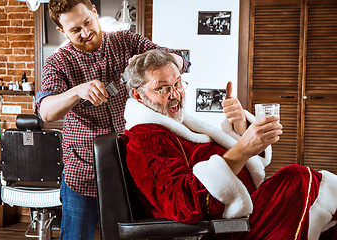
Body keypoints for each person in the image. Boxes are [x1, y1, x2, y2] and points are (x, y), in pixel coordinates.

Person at [122, 49, 337, 240]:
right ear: (138, 96)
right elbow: (182, 203)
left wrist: (241, 127)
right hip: (221, 227)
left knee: (302, 183)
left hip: (241, 214)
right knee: (297, 179)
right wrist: (243, 149)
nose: (176, 94)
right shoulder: (145, 138)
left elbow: (219, 158)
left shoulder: (179, 123)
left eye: (178, 83)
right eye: (163, 88)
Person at [35, 1, 190, 239]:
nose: (86, 33)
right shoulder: (58, 63)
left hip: (133, 168)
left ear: (95, 13)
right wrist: (77, 91)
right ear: (62, 31)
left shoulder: (127, 42)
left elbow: (180, 60)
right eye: (75, 30)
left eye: (87, 22)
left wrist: (151, 60)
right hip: (83, 173)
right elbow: (46, 112)